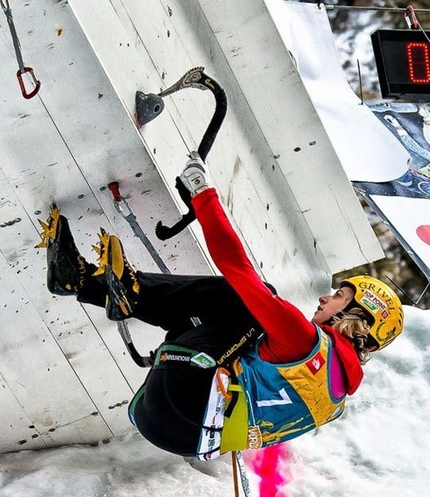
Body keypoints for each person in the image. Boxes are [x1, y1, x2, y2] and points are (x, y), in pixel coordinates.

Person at [38, 152, 404, 460]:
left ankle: (129, 293)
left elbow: (237, 269)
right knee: (232, 323)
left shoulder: (303, 340)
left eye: (339, 297)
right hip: (169, 425)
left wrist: (203, 194)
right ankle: (83, 282)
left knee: (251, 299)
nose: (325, 298)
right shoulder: (334, 402)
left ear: (355, 320)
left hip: (183, 393)